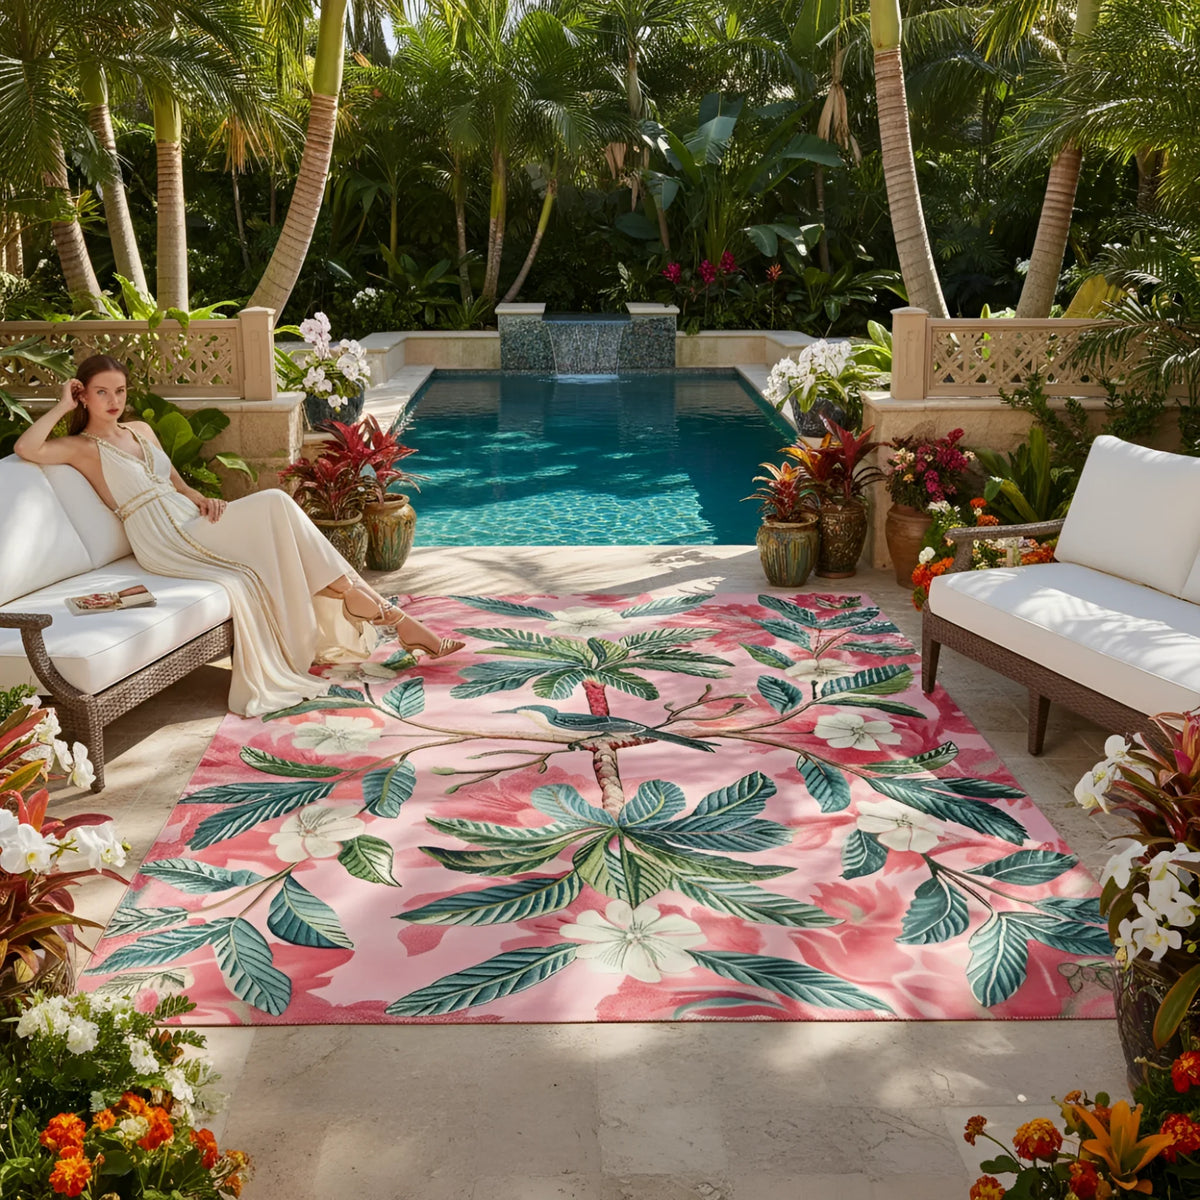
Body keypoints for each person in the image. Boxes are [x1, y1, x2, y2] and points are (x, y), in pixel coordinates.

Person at [14, 354, 463, 718]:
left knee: (277, 511)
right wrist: (60, 406)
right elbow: (26, 449)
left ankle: (368, 605)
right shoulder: (82, 448)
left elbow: (175, 481)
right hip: (162, 538)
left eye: (120, 390)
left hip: (189, 517)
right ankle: (379, 611)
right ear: (83, 396)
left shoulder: (141, 430)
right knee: (275, 503)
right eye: (100, 392)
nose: (113, 400)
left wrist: (201, 500)